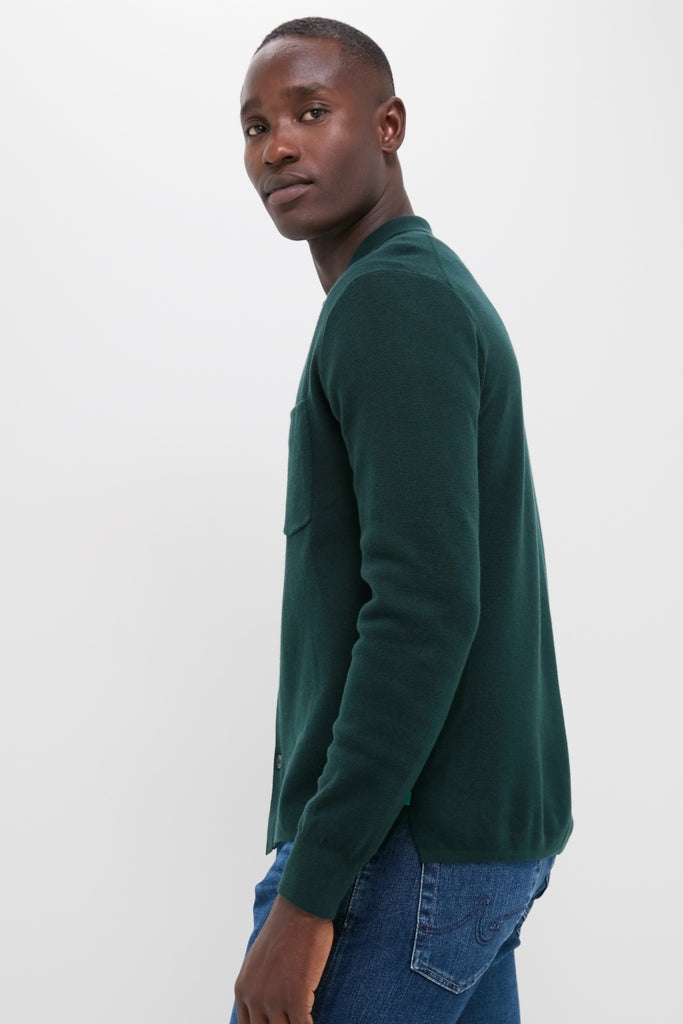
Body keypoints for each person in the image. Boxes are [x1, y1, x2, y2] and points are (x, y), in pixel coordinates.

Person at [232, 16, 572, 1024]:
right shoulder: (417, 291)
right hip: (470, 843)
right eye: (252, 126)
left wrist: (309, 894)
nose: (276, 145)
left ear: (387, 126)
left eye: (309, 111)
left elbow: (421, 608)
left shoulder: (390, 304)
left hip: (405, 850)